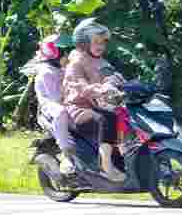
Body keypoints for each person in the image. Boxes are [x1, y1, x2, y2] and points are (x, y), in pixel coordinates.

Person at [63, 19, 127, 182]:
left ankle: (122, 161)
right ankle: (104, 166)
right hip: (78, 109)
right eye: (96, 42)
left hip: (100, 105)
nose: (101, 46)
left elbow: (110, 76)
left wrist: (116, 83)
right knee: (106, 119)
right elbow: (81, 87)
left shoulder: (102, 61)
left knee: (125, 117)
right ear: (84, 43)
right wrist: (100, 89)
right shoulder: (75, 63)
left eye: (103, 42)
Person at [21, 34, 79, 175]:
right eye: (65, 53)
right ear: (55, 54)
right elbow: (57, 98)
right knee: (61, 112)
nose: (68, 56)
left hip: (67, 103)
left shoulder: (62, 69)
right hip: (51, 107)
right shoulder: (46, 73)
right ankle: (66, 154)